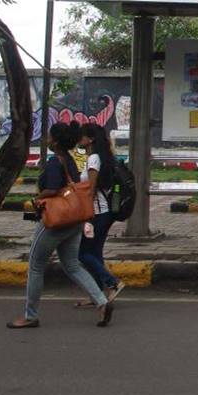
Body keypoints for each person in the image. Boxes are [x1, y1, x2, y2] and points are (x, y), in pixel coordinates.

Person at [7, 121, 114, 329]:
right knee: (72, 265)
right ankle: (101, 301)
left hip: (55, 221)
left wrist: (38, 198)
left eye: (49, 137)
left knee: (35, 267)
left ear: (55, 142)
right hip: (74, 221)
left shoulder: (55, 162)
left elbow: (54, 188)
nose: (47, 140)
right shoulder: (70, 161)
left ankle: (30, 315)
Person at [75, 123, 126, 304]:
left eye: (81, 136)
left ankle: (113, 282)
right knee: (95, 253)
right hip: (104, 212)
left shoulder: (94, 159)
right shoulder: (102, 157)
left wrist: (87, 215)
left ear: (90, 139)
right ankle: (97, 295)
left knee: (83, 254)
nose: (78, 139)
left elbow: (91, 189)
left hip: (97, 213)